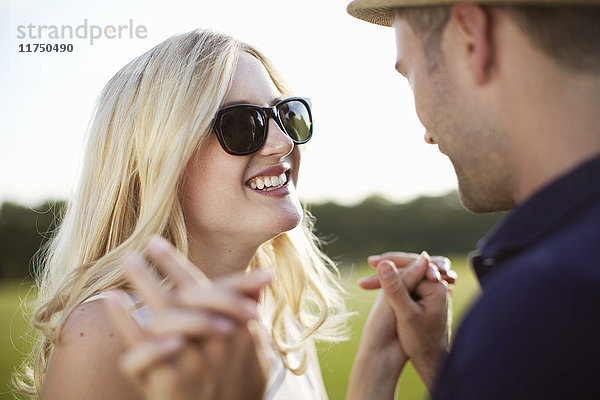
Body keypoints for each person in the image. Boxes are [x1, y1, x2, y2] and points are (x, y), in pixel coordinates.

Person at [13, 28, 355, 400]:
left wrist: (378, 371)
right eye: (241, 124)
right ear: (159, 161)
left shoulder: (272, 309)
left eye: (286, 115)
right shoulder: (108, 331)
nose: (284, 142)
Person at [346, 0, 600, 398]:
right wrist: (444, 365)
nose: (427, 135)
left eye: (409, 74)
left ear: (472, 39)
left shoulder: (545, 311)